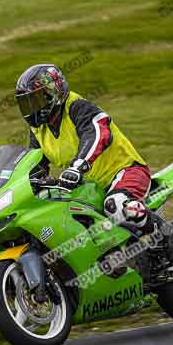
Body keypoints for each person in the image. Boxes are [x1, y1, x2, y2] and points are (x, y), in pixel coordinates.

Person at [15, 63, 156, 236]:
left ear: (53, 92)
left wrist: (77, 167)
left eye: (36, 100)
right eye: (27, 104)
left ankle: (163, 236)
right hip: (89, 186)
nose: (32, 109)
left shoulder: (78, 107)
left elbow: (97, 134)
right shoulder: (39, 130)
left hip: (126, 172)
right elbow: (34, 164)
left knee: (115, 204)